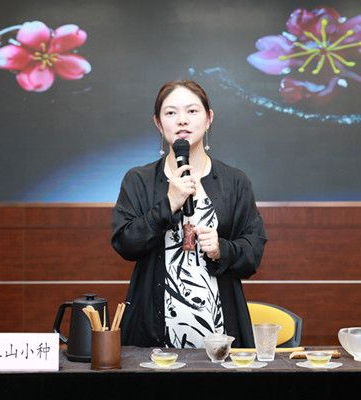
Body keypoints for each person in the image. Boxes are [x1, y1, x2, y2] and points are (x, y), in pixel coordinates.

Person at [111, 80, 267, 348]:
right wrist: (169, 203)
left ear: (209, 119)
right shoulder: (138, 180)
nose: (182, 120)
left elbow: (253, 253)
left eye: (192, 111)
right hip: (153, 333)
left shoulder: (234, 181)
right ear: (158, 123)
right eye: (171, 113)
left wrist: (221, 249)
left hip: (220, 331)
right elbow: (125, 243)